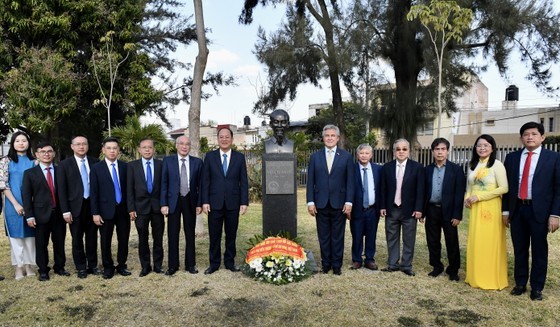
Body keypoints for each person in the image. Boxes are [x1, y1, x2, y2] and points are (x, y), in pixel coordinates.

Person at [503, 122, 560, 301]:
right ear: (521, 138)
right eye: (526, 134)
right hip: (518, 209)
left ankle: (537, 287)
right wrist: (505, 211)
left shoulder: (554, 158)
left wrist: (555, 214)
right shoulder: (512, 158)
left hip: (540, 212)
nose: (530, 137)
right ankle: (520, 283)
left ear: (542, 137)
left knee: (539, 249)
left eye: (534, 134)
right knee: (519, 248)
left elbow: (558, 188)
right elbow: (507, 188)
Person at [306, 124, 354, 275]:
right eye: (327, 136)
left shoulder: (346, 156)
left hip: (339, 203)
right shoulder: (315, 157)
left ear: (338, 138)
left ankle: (337, 265)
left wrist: (349, 202)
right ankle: (326, 264)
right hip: (320, 203)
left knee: (338, 236)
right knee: (324, 236)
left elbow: (350, 181)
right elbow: (310, 181)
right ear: (323, 138)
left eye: (333, 136)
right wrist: (310, 202)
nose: (330, 138)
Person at [201, 127, 249, 275]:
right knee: (214, 235)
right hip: (214, 203)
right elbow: (205, 181)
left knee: (231, 235)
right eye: (221, 137)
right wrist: (205, 201)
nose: (224, 139)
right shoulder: (209, 156)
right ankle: (214, 264)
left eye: (227, 137)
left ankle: (230, 262)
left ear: (232, 139)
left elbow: (243, 182)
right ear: (217, 139)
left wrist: (244, 202)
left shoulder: (239, 157)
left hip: (233, 203)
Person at [464, 134, 508, 290]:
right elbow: (469, 186)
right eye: (479, 145)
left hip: (491, 208)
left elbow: (504, 188)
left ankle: (489, 278)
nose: (482, 148)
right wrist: (467, 198)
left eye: (486, 145)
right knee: (476, 241)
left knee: (489, 242)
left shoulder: (497, 165)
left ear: (492, 148)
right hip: (475, 208)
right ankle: (475, 276)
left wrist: (480, 196)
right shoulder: (472, 165)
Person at [22, 141, 69, 281]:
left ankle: (60, 267)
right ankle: (43, 270)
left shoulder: (60, 170)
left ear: (53, 154)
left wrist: (67, 211)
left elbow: (65, 192)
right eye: (43, 152)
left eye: (49, 151)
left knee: (59, 242)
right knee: (41, 244)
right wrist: (29, 216)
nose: (46, 154)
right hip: (40, 215)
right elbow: (26, 195)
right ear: (37, 154)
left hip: (59, 213)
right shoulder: (30, 173)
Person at [57, 136, 100, 278]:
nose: (81, 147)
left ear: (88, 146)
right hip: (74, 207)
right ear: (72, 146)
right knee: (77, 238)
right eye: (78, 144)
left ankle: (93, 265)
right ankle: (81, 267)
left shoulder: (95, 162)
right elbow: (61, 190)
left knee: (92, 237)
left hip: (92, 205)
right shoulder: (64, 164)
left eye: (84, 144)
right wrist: (65, 211)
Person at [380, 138, 424, 276]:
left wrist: (419, 209)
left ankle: (406, 265)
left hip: (410, 210)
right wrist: (382, 206)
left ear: (409, 151)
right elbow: (382, 189)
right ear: (394, 151)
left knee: (409, 238)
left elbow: (420, 190)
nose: (401, 152)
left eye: (404, 149)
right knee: (391, 237)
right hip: (391, 209)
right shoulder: (387, 167)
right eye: (398, 149)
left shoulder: (417, 167)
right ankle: (392, 264)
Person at [423, 138, 465, 281]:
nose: (440, 152)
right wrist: (422, 212)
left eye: (442, 149)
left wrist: (457, 215)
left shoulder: (456, 169)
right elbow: (424, 192)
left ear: (447, 151)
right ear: (433, 151)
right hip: (431, 209)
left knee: (452, 241)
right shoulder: (427, 170)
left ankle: (453, 270)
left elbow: (459, 194)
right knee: (433, 240)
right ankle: (436, 266)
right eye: (437, 149)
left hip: (449, 211)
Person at [160, 136, 203, 276]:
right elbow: (164, 184)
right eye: (182, 144)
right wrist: (164, 203)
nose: (184, 147)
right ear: (176, 145)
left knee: (190, 234)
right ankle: (173, 265)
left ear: (190, 146)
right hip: (173, 201)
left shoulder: (197, 162)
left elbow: (200, 186)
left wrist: (199, 204)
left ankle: (190, 264)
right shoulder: (167, 161)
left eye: (187, 144)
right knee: (173, 233)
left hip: (190, 200)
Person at [90, 137, 131, 279]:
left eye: (115, 148)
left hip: (123, 210)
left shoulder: (126, 167)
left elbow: (129, 190)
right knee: (105, 240)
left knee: (124, 239)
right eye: (109, 148)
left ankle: (122, 265)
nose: (112, 151)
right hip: (105, 211)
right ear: (103, 150)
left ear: (118, 150)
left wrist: (131, 208)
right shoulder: (96, 168)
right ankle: (108, 267)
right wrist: (95, 213)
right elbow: (93, 192)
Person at [0, 131, 37, 280]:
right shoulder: (5, 161)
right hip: (12, 204)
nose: (21, 143)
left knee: (30, 236)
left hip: (32, 204)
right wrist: (15, 204)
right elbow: (3, 184)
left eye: (24, 140)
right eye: (17, 141)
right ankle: (19, 267)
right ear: (12, 144)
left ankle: (29, 265)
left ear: (28, 143)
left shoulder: (34, 161)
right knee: (16, 236)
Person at [127, 138, 165, 277]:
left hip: (157, 208)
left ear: (154, 149)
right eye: (144, 147)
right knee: (142, 238)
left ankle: (158, 265)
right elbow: (129, 189)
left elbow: (164, 187)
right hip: (140, 208)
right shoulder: (132, 166)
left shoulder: (161, 165)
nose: (147, 150)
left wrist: (164, 204)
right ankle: (145, 266)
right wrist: (131, 208)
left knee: (158, 238)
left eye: (150, 147)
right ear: (139, 149)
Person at [349, 143, 381, 270]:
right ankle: (357, 259)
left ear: (371, 155)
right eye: (361, 153)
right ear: (357, 155)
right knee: (356, 235)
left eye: (367, 153)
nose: (364, 155)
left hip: (373, 209)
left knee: (371, 235)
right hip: (357, 209)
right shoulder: (351, 168)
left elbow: (381, 189)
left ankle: (369, 259)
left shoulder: (378, 169)